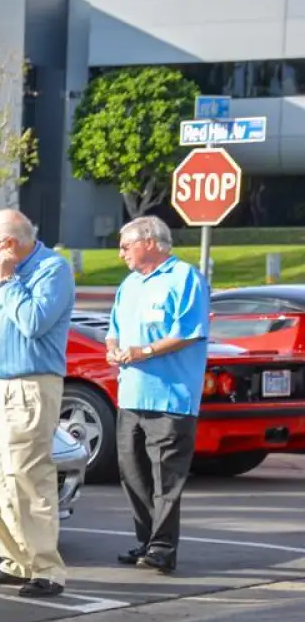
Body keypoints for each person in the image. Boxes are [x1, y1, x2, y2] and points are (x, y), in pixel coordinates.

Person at [0, 209, 76, 599]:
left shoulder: (50, 269)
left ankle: (46, 567)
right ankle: (15, 559)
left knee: (29, 478)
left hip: (27, 386)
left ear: (9, 244)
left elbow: (34, 322)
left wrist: (10, 278)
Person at [106, 215, 210, 573]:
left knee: (165, 476)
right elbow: (113, 329)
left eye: (125, 246)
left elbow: (189, 332)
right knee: (132, 473)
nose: (121, 254)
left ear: (149, 242)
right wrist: (113, 346)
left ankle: (163, 547)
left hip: (170, 398)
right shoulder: (130, 284)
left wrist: (142, 352)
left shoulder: (185, 279)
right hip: (131, 395)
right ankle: (146, 540)